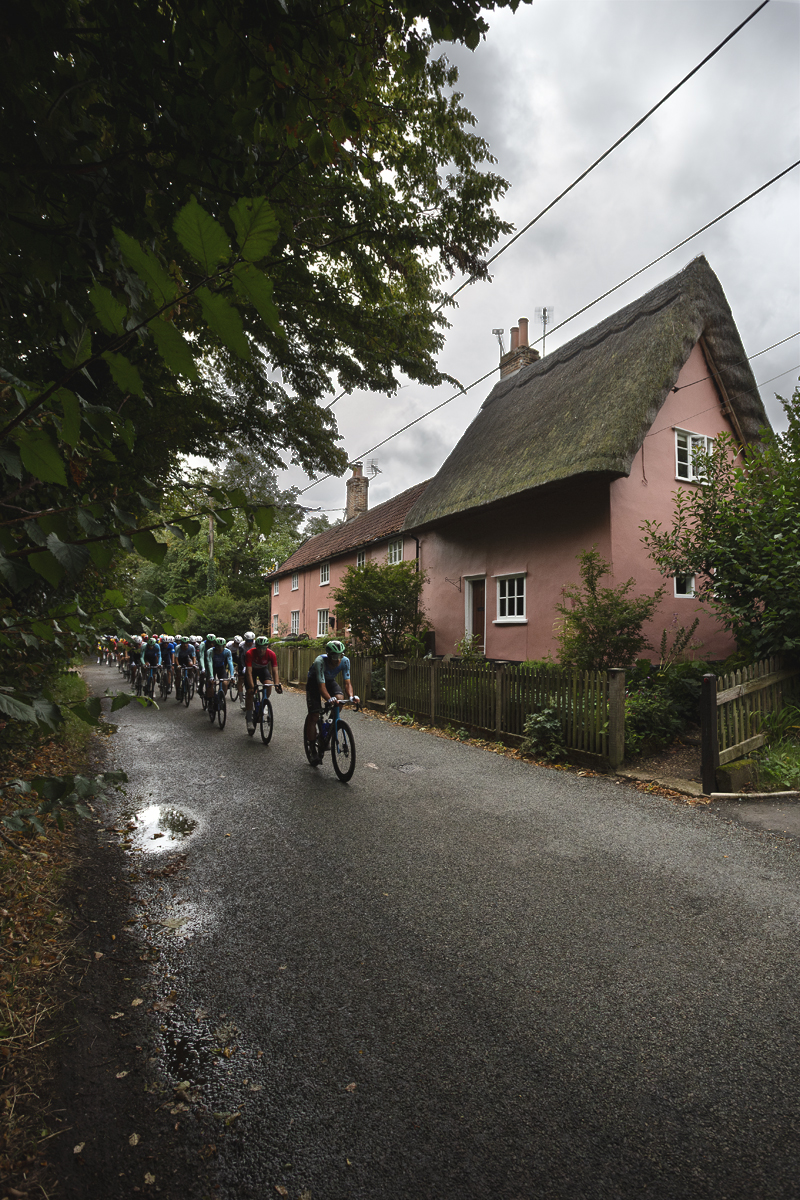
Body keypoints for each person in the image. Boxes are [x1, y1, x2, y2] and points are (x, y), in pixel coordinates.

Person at [304, 640, 359, 764]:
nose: (337, 659)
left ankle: (328, 724)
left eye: (340, 655)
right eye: (334, 656)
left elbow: (347, 683)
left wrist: (351, 696)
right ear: (328, 655)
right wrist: (329, 699)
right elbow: (321, 687)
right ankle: (312, 749)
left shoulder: (345, 661)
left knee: (340, 699)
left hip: (329, 681)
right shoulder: (320, 662)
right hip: (315, 682)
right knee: (314, 716)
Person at [244, 636, 282, 734]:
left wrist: (277, 685)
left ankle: (264, 702)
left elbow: (275, 670)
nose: (261, 650)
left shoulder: (271, 654)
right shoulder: (250, 653)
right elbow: (248, 672)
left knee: (269, 684)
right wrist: (252, 687)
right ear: (255, 647)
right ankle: (249, 718)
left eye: (263, 648)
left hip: (262, 670)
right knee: (250, 692)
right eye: (259, 648)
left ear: (267, 647)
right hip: (251, 671)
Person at [206, 636, 234, 704]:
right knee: (211, 683)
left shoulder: (227, 651)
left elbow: (230, 663)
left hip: (221, 667)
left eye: (222, 647)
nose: (220, 649)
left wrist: (232, 675)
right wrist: (211, 676)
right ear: (215, 646)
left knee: (225, 683)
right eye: (218, 647)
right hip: (211, 667)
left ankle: (220, 698)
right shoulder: (210, 651)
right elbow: (209, 663)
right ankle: (210, 699)